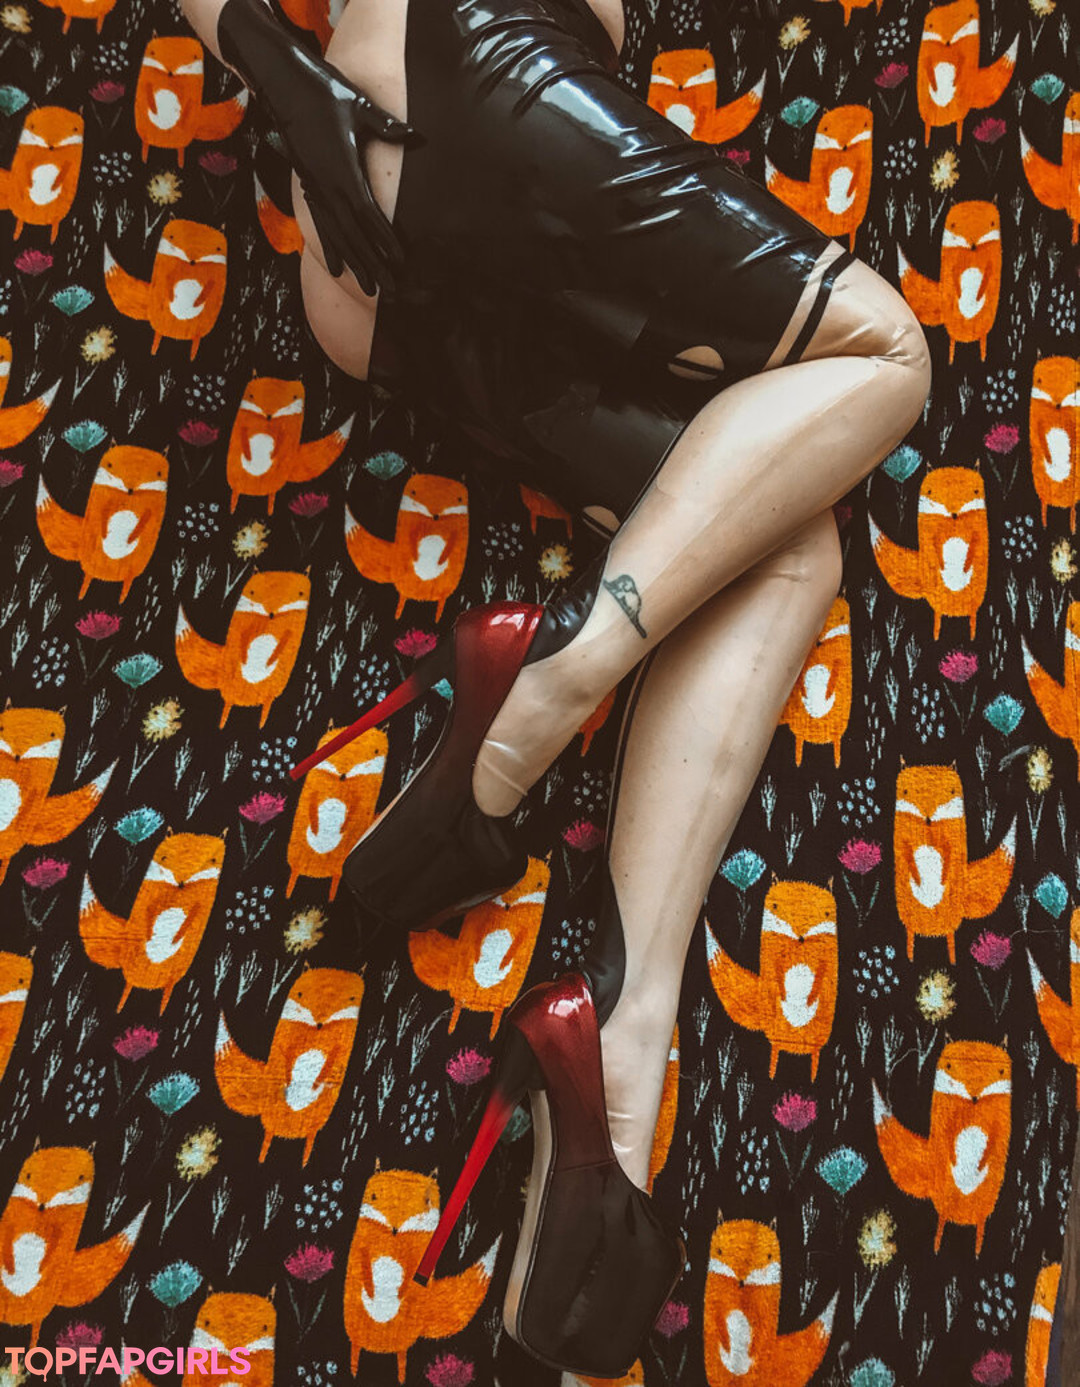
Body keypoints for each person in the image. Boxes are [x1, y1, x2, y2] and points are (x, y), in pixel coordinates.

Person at [178, 0, 933, 1372]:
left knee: (778, 539)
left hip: (385, 261)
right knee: (885, 354)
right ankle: (549, 679)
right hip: (481, 71)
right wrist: (280, 68)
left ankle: (617, 1052)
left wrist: (280, 77)